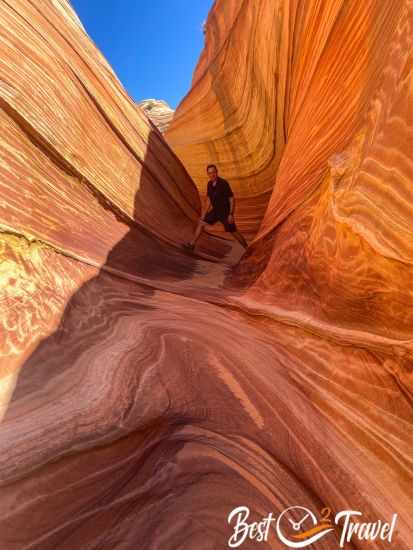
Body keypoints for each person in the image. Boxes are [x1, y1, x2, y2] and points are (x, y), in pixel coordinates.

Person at [185, 164, 248, 251]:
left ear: (217, 172)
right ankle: (192, 245)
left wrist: (231, 214)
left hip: (225, 213)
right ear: (208, 174)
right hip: (215, 211)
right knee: (201, 223)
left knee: (234, 232)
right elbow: (209, 200)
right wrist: (204, 214)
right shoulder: (209, 184)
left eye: (214, 172)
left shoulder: (223, 183)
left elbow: (231, 198)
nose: (212, 174)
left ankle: (247, 249)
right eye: (210, 173)